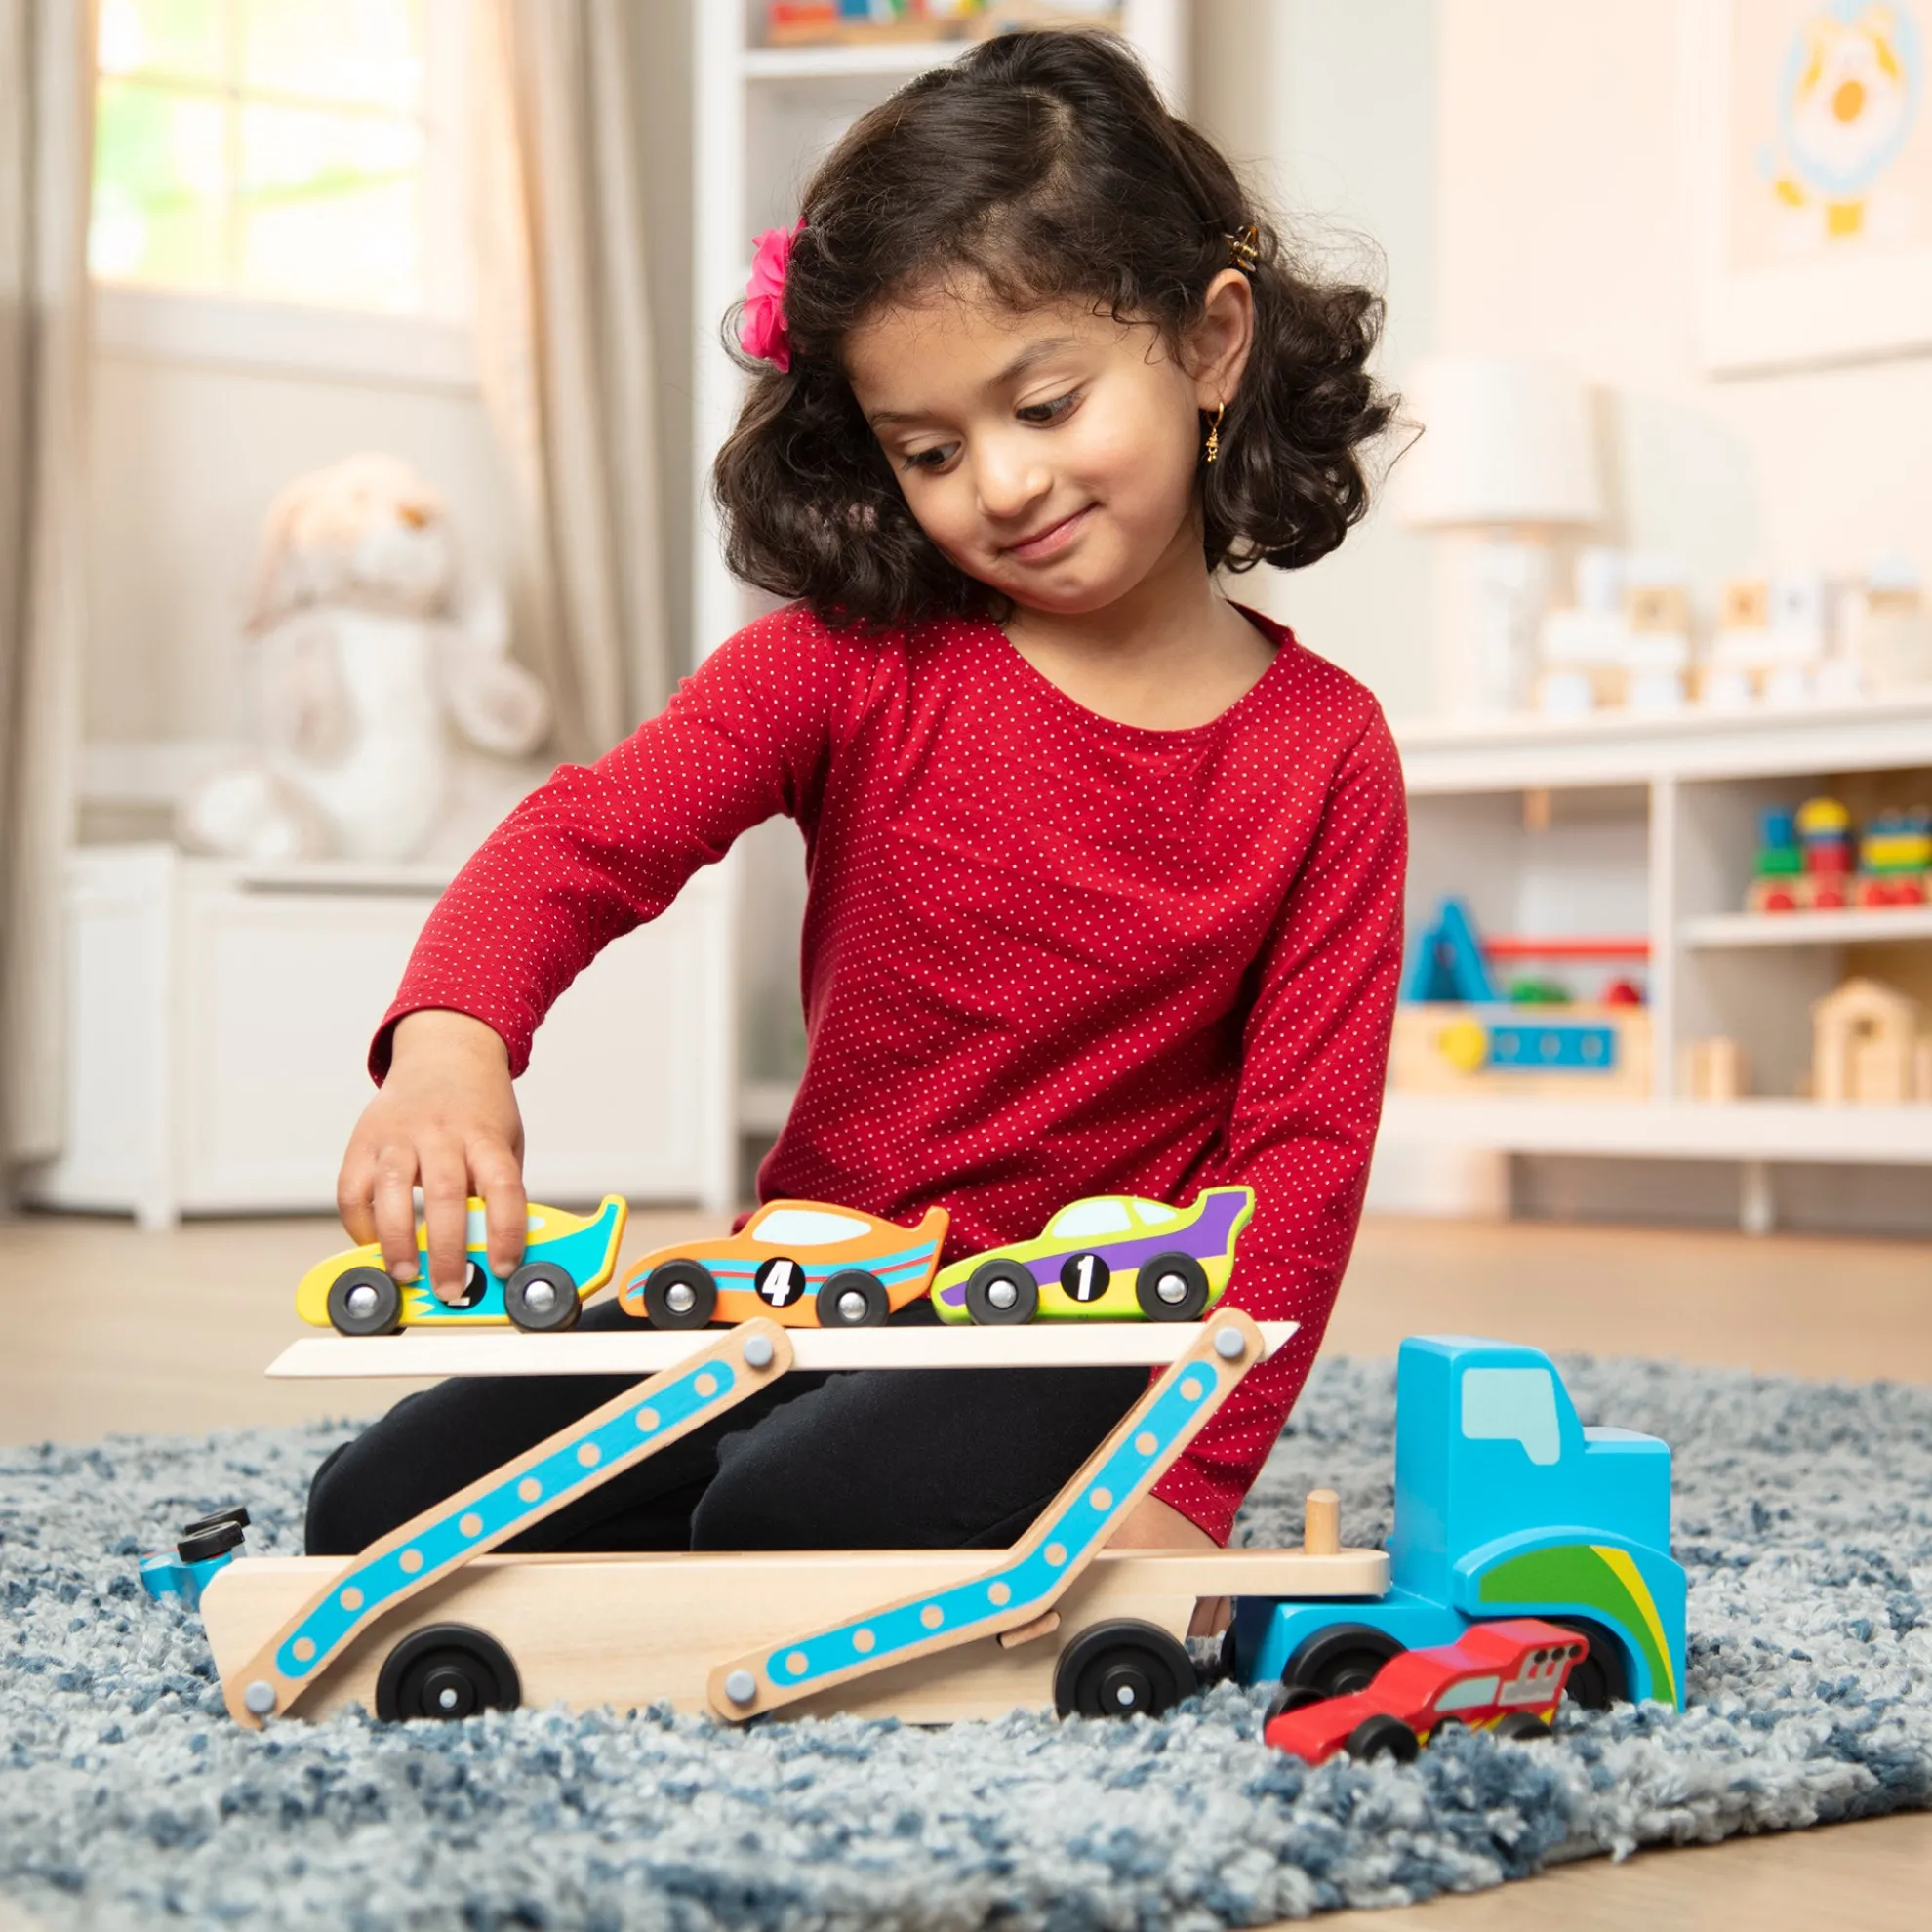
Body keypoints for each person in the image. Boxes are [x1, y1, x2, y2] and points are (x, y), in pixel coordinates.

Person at [305, 29, 1406, 1630]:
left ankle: (792, 1533)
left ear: (1211, 343)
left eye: (1047, 404)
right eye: (931, 451)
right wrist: (451, 1043)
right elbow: (581, 842)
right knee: (369, 1514)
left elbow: (1301, 1154)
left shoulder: (1327, 754)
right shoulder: (841, 664)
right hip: (810, 1290)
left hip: (1086, 1330)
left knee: (788, 1510)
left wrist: (1197, 1480)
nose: (1003, 484)